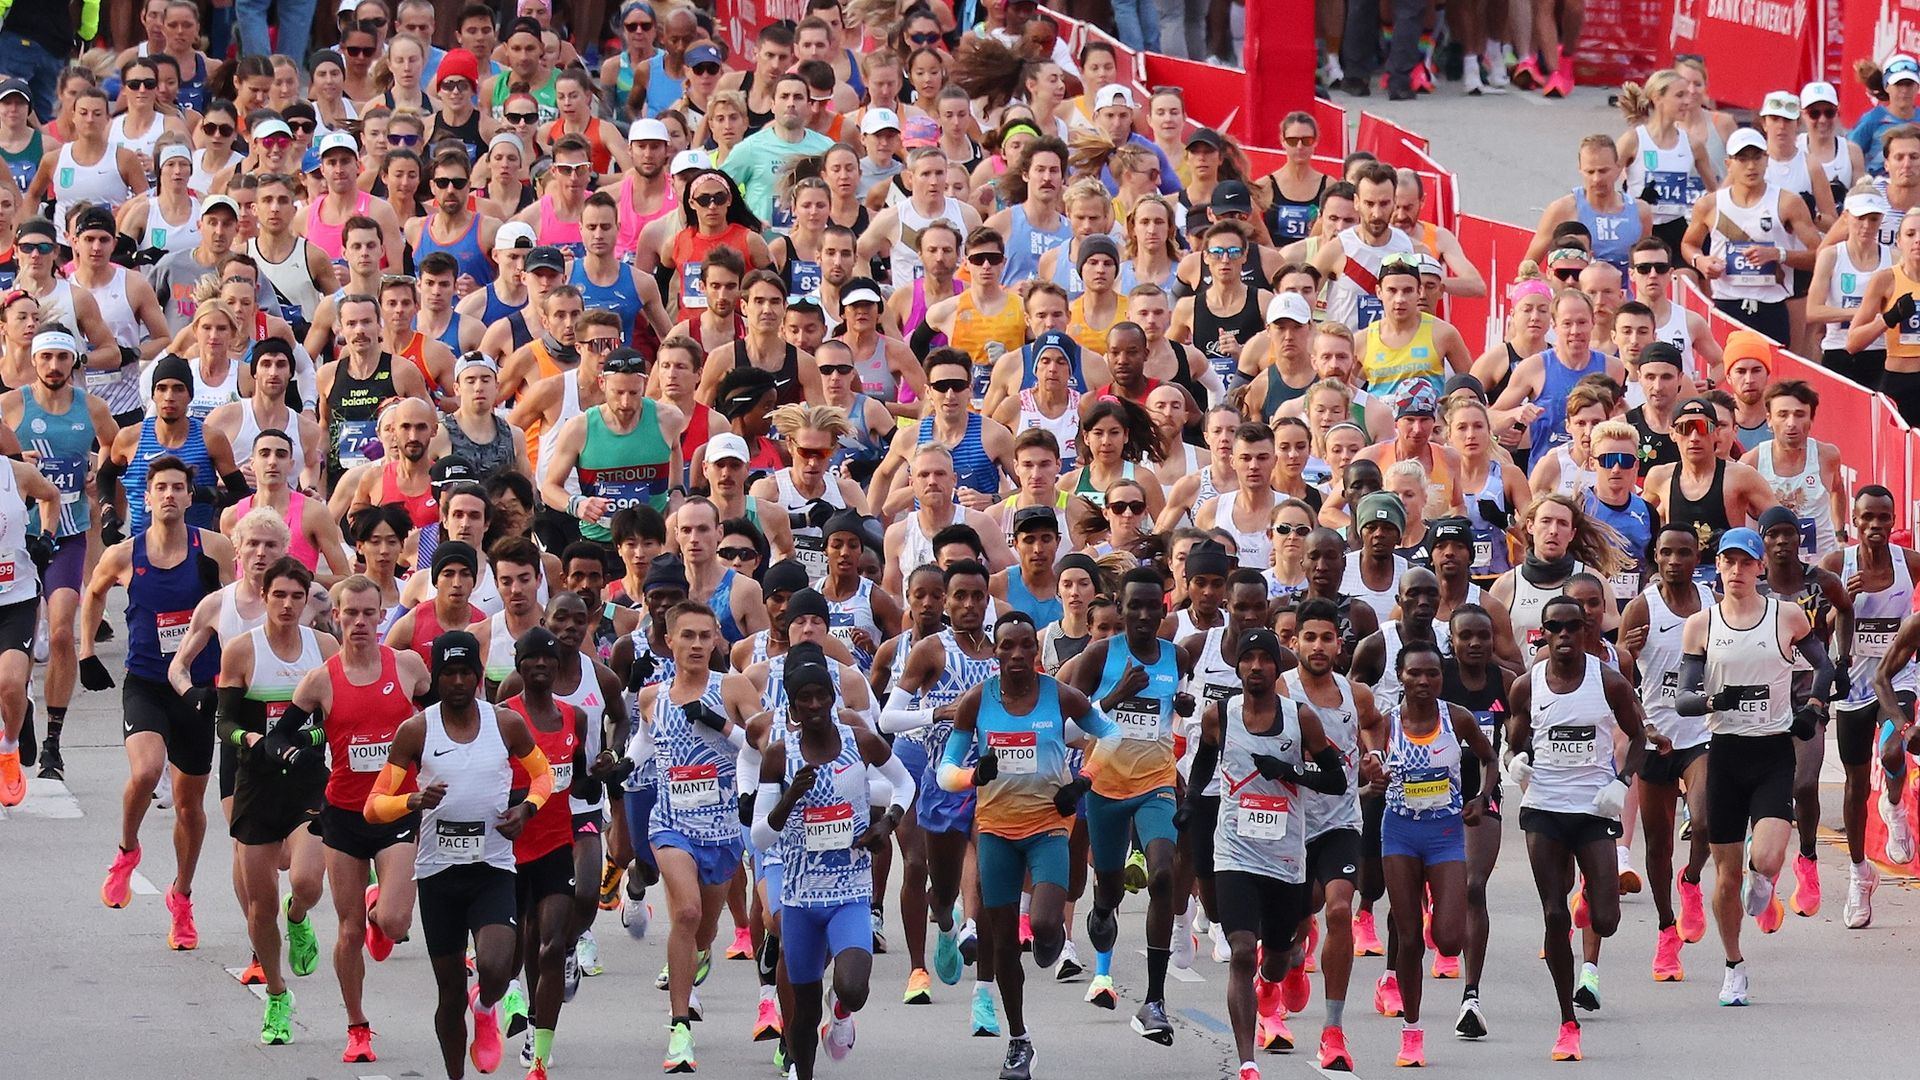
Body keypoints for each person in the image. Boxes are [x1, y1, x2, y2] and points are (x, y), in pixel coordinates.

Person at [361, 629, 556, 1079]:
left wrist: (526, 810)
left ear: (479, 675)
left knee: (495, 966)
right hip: (438, 873)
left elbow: (544, 776)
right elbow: (374, 806)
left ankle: (486, 1006)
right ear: (436, 677)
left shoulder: (505, 724)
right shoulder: (416, 731)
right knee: (449, 992)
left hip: (492, 867)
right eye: (448, 673)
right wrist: (412, 801)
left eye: (466, 672)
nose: (458, 682)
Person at [1674, 527, 1835, 1006]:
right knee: (1725, 876)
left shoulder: (1786, 617)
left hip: (1771, 753)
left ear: (1760, 568)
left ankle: (1763, 877)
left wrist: (1814, 708)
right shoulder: (1701, 625)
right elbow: (1682, 697)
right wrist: (1709, 700)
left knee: (1764, 856)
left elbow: (1823, 667)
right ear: (1718, 567)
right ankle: (1733, 966)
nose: (1738, 571)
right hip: (1724, 753)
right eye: (1729, 562)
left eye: (1747, 562)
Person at [82, 455, 235, 948]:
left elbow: (237, 608)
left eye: (178, 487)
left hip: (195, 689)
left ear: (190, 497)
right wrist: (86, 650)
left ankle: (182, 898)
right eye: (160, 488)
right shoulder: (124, 555)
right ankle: (127, 850)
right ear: (146, 498)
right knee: (146, 773)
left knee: (190, 806)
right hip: (146, 681)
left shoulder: (213, 549)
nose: (169, 495)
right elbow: (94, 594)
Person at [1184, 626, 1347, 1080]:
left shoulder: (1301, 719)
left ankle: (1285, 962)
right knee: (1239, 949)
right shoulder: (1220, 714)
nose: (1256, 667)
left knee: (1273, 960)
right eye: (1248, 659)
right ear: (1237, 667)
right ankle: (1247, 1062)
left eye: (1265, 660)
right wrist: (1192, 801)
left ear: (1278, 667)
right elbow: (1204, 761)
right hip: (1234, 849)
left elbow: (1335, 780)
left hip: (1285, 856)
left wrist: (1291, 769)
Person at [289, 573, 432, 1064]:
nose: (360, 623)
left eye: (370, 614)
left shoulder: (409, 667)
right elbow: (283, 738)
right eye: (350, 614)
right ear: (337, 617)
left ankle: (380, 909)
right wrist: (293, 761)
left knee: (394, 922)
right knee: (348, 930)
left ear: (381, 617)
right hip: (345, 816)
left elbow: (443, 716)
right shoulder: (320, 681)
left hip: (397, 811)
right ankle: (357, 1026)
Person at [757, 640, 914, 1080]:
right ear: (792, 704)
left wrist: (887, 824)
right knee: (803, 1012)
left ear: (832, 696)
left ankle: (842, 1012)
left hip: (850, 894)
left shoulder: (859, 742)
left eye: (821, 695)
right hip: (800, 899)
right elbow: (761, 834)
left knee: (854, 986)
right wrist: (790, 797)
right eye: (803, 698)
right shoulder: (779, 755)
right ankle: (802, 1072)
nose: (814, 705)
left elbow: (905, 785)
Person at [1505, 594, 1650, 1062]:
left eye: (1574, 627)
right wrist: (1517, 763)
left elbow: (1641, 737)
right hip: (1544, 807)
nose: (1565, 636)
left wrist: (1623, 780)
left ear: (1587, 631)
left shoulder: (1608, 682)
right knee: (1552, 915)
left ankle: (1591, 890)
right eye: (1556, 628)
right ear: (1543, 633)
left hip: (1593, 808)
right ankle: (1567, 1021)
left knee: (1605, 920)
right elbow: (1513, 739)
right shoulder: (1527, 686)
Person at [1057, 567, 1195, 1040]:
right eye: (1132, 606)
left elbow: (1179, 710)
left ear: (1164, 608)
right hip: (1104, 788)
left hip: (1156, 783)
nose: (1141, 615)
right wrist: (1117, 695)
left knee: (1162, 872)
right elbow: (1067, 729)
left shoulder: (1177, 656)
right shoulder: (1098, 656)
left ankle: (1154, 1001)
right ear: (1119, 605)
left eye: (1151, 606)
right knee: (1110, 888)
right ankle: (1100, 908)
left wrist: (1184, 707)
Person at [213, 556, 336, 1046]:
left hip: (307, 783)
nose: (287, 605)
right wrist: (253, 741)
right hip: (258, 783)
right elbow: (223, 724)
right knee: (259, 907)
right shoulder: (242, 651)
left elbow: (336, 717)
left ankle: (300, 916)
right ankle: (278, 996)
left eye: (297, 597)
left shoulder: (323, 648)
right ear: (263, 597)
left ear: (308, 602)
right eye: (279, 595)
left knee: (306, 881)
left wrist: (307, 741)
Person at [880, 561, 1004, 1025]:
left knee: (991, 877)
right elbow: (887, 720)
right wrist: (937, 714)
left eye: (978, 596)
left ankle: (984, 996)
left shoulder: (1002, 651)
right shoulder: (932, 650)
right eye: (961, 597)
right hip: (940, 783)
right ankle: (948, 925)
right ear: (948, 603)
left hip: (994, 784)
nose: (969, 605)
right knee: (942, 886)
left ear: (987, 600)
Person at [1363, 638, 1495, 1068]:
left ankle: (1437, 907)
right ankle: (1412, 1033)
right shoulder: (1386, 724)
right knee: (1409, 939)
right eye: (1414, 673)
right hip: (1399, 834)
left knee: (1449, 939)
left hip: (1444, 834)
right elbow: (1366, 774)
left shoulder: (1455, 719)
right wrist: (1372, 780)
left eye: (1432, 673)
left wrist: (1481, 798)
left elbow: (1490, 759)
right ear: (1400, 677)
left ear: (1442, 677)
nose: (1423, 681)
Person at [633, 601, 752, 1072]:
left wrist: (721, 723)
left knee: (704, 930)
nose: (698, 644)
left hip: (723, 830)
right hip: (671, 823)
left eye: (706, 635)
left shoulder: (734, 688)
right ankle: (680, 1028)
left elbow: (766, 747)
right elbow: (644, 743)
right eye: (688, 635)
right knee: (685, 912)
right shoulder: (652, 696)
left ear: (718, 640)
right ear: (669, 641)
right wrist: (620, 766)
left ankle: (698, 958)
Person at [2, 329, 118, 779]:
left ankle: (52, 740)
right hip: (15, 536)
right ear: (34, 360)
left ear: (74, 362)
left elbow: (112, 445)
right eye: (45, 357)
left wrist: (95, 468)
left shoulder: (90, 407)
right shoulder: (13, 405)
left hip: (67, 533)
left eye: (61, 358)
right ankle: (21, 699)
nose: (53, 366)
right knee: (20, 634)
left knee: (63, 629)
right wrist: (21, 457)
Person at [1820, 485, 1920, 928]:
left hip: (1899, 677)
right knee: (1854, 786)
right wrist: (1845, 600)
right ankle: (1860, 873)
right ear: (1854, 522)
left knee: (1894, 748)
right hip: (1853, 686)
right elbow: (1814, 630)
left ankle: (1895, 805)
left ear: (1894, 521)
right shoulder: (1836, 565)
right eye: (1867, 518)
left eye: (1884, 518)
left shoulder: (1909, 564)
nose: (1876, 526)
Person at [497, 625, 588, 1079]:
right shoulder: (502, 718)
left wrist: (609, 771)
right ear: (519, 665)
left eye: (548, 659)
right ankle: (503, 997)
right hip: (507, 852)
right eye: (532, 658)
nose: (541, 665)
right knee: (510, 954)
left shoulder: (575, 718)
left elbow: (582, 781)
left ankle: (539, 1045)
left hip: (556, 844)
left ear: (558, 666)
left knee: (552, 947)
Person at [1680, 129, 1822, 345]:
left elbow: (1819, 255)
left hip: (1772, 305)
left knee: (1774, 373)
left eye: (1756, 157)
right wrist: (1700, 261)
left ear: (1766, 160)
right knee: (1727, 371)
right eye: (1742, 159)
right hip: (1727, 303)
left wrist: (1779, 255)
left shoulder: (1787, 203)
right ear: (1729, 164)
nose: (1751, 166)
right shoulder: (1710, 205)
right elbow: (1689, 244)